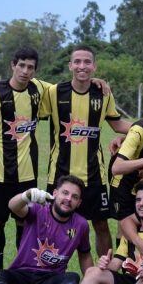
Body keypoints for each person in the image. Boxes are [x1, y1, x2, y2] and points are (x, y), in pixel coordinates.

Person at [40, 45, 130, 257]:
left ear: (94, 66)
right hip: (60, 174)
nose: (82, 66)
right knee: (52, 224)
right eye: (77, 62)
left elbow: (117, 124)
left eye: (87, 62)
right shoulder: (54, 92)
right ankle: (48, 270)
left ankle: (105, 273)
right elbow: (29, 101)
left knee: (100, 225)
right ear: (70, 65)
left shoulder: (103, 93)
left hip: (94, 174)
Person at [0, 47, 50, 271]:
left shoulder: (39, 89)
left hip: (27, 172)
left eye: (30, 67)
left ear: (35, 71)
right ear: (12, 65)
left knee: (24, 222)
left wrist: (97, 82)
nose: (25, 71)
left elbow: (69, 89)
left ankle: (20, 270)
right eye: (21, 65)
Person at [0, 175, 93, 284]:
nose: (68, 199)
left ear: (79, 203)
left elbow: (85, 255)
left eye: (74, 197)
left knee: (72, 277)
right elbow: (12, 206)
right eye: (65, 193)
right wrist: (27, 195)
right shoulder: (38, 210)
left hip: (51, 278)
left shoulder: (81, 224)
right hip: (23, 274)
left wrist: (91, 281)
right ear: (55, 193)